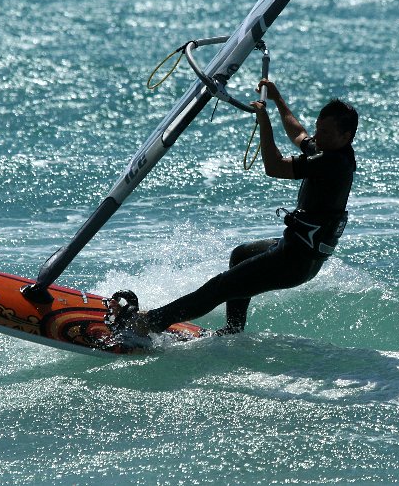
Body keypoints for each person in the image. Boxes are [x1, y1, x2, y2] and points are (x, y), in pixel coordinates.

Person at [105, 79, 358, 340]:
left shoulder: (332, 163)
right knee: (241, 255)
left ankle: (148, 323)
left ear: (346, 136)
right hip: (296, 251)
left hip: (295, 261)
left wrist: (264, 120)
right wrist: (278, 99)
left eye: (325, 133)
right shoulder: (331, 148)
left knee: (220, 287)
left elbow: (275, 166)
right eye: (319, 128)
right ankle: (233, 331)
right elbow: (299, 135)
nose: (318, 136)